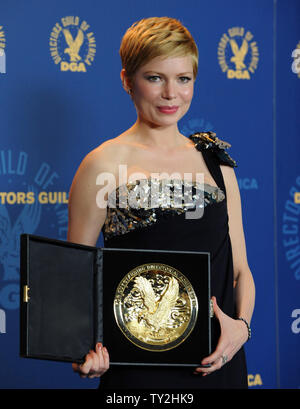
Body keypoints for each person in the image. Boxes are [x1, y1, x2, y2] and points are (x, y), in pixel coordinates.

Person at [67, 17, 255, 389]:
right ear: (127, 80)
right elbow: (72, 278)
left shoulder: (216, 164)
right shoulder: (101, 165)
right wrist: (80, 350)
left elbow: (240, 272)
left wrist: (241, 329)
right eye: (155, 78)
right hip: (135, 367)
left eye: (183, 79)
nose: (172, 94)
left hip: (218, 361)